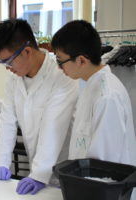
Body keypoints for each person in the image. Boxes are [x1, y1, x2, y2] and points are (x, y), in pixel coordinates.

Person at [0, 19, 78, 195]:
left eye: (8, 61)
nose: (7, 68)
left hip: (64, 171)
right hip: (37, 169)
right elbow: (6, 121)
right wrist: (2, 163)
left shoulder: (61, 76)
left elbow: (53, 127)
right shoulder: (14, 80)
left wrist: (39, 174)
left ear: (27, 51)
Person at [51, 21, 136, 171]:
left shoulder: (107, 96)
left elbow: (104, 164)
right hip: (88, 184)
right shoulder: (90, 84)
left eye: (60, 61)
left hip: (105, 189)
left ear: (81, 60)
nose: (59, 68)